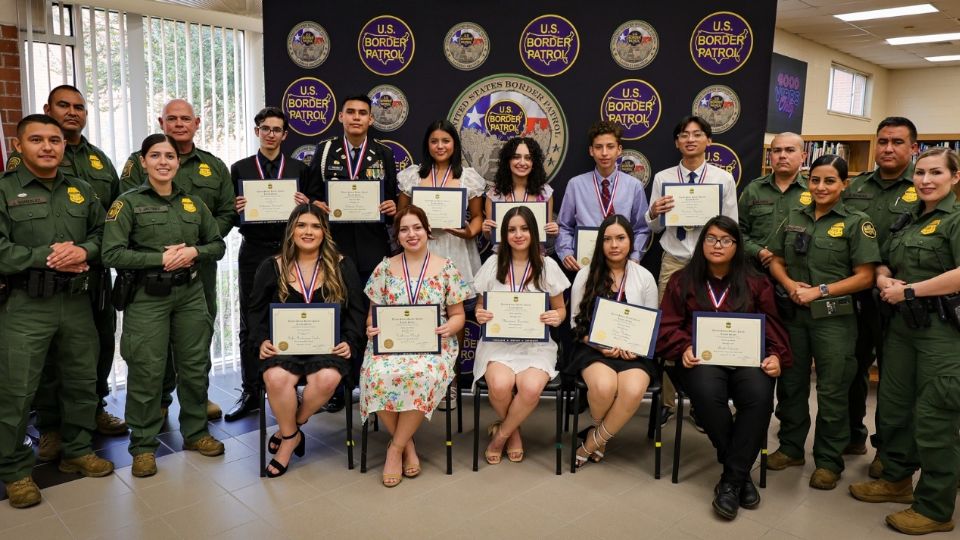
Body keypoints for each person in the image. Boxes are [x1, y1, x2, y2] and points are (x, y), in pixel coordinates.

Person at [5, 85, 126, 463]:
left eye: (54, 141)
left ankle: (79, 445)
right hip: (28, 298)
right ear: (20, 144)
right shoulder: (7, 187)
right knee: (21, 384)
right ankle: (24, 457)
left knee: (83, 372)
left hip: (82, 290)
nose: (47, 147)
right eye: (37, 139)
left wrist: (85, 251)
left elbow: (108, 226)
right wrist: (49, 257)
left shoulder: (91, 176)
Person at [849, 147, 960, 536]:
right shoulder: (908, 218)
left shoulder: (955, 220)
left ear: (954, 177)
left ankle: (934, 507)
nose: (926, 180)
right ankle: (896, 480)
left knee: (935, 418)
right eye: (921, 173)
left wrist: (911, 290)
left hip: (942, 335)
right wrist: (882, 278)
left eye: (936, 173)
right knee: (894, 408)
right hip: (901, 329)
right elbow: (884, 258)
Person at [103, 134, 227, 478]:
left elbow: (216, 244)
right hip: (147, 297)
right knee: (147, 369)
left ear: (177, 162)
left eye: (169, 156)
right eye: (155, 155)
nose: (163, 161)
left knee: (194, 364)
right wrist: (158, 258)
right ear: (143, 162)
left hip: (189, 294)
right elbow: (110, 253)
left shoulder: (192, 204)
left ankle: (196, 433)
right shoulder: (126, 205)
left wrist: (194, 253)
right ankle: (143, 446)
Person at [657, 216, 791, 520]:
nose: (718, 245)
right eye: (711, 239)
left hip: (748, 359)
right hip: (701, 359)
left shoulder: (756, 281)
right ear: (702, 242)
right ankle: (739, 477)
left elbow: (773, 324)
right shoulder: (683, 280)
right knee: (705, 393)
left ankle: (731, 478)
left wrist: (775, 356)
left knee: (759, 396)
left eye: (726, 240)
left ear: (737, 245)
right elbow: (668, 324)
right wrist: (683, 348)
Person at [766, 155, 880, 490]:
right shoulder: (793, 217)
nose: (821, 187)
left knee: (832, 390)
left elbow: (865, 277)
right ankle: (790, 448)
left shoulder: (857, 223)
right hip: (794, 317)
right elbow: (776, 259)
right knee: (791, 384)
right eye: (815, 180)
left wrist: (821, 291)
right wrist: (789, 285)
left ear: (845, 184)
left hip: (834, 320)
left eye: (830, 181)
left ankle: (829, 460)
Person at [121, 98, 236, 421]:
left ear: (197, 123)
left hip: (200, 267)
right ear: (161, 123)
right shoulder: (139, 162)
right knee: (152, 343)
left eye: (186, 119)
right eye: (172, 119)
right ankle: (158, 399)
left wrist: (199, 246)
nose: (179, 124)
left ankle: (196, 400)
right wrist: (162, 256)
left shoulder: (213, 166)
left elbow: (227, 212)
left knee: (197, 333)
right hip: (151, 272)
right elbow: (126, 210)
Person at [248, 205, 366, 477]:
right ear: (291, 231)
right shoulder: (272, 266)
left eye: (315, 226)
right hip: (284, 346)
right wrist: (262, 340)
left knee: (326, 379)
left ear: (325, 232)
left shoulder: (341, 265)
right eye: (301, 225)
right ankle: (291, 440)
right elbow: (254, 311)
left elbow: (357, 310)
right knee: (276, 379)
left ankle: (290, 430)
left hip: (328, 346)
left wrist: (349, 340)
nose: (308, 232)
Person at [361, 205, 472, 486]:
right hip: (390, 344)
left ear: (427, 230)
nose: (412, 234)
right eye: (404, 229)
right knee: (375, 375)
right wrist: (370, 326)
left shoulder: (446, 268)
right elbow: (373, 312)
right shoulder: (385, 268)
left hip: (434, 345)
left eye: (417, 227)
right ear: (397, 236)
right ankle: (407, 444)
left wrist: (451, 326)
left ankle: (394, 449)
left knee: (422, 375)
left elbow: (459, 315)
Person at [307, 94, 398, 412]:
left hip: (373, 246)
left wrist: (392, 207)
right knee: (337, 314)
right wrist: (317, 205)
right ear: (341, 118)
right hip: (335, 247)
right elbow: (312, 196)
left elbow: (393, 199)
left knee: (370, 316)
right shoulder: (326, 151)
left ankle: (371, 379)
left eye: (363, 113)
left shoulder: (383, 154)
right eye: (351, 112)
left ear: (371, 119)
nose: (357, 117)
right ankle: (338, 384)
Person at [647, 115, 739, 421]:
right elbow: (654, 227)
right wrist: (654, 213)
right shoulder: (662, 177)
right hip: (673, 259)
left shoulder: (722, 179)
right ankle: (668, 401)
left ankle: (704, 402)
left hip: (710, 263)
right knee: (669, 329)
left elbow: (731, 227)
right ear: (676, 142)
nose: (690, 139)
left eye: (697, 134)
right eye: (684, 135)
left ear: (708, 141)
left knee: (708, 328)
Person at [842, 117, 920, 473]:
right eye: (883, 141)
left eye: (898, 142)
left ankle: (887, 451)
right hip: (857, 294)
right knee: (851, 368)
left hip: (900, 298)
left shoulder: (923, 187)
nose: (888, 148)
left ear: (913, 148)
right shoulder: (855, 186)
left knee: (893, 379)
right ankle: (851, 434)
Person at [226, 107, 310, 422]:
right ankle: (250, 390)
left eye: (277, 129)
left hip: (291, 253)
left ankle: (292, 383)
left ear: (285, 135)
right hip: (254, 251)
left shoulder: (300, 169)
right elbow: (230, 216)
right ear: (257, 131)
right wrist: (236, 210)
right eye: (265, 128)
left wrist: (307, 205)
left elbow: (313, 216)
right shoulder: (240, 169)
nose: (271, 134)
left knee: (293, 315)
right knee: (251, 320)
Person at [397, 120, 485, 410]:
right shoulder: (412, 176)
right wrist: (413, 228)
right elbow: (401, 214)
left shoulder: (468, 178)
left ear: (454, 145)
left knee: (454, 313)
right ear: (427, 145)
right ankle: (420, 379)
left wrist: (468, 232)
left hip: (455, 249)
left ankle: (451, 381)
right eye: (434, 141)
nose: (440, 146)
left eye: (445, 141)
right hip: (420, 249)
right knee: (420, 309)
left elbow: (477, 219)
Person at [473, 206, 569, 463]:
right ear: (504, 234)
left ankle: (501, 435)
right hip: (497, 344)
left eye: (524, 229)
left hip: (535, 346)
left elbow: (561, 310)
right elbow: (481, 306)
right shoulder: (493, 264)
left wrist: (556, 317)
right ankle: (513, 433)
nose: (518, 235)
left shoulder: (547, 266)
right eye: (512, 229)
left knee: (529, 388)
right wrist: (480, 314)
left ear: (533, 232)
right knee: (500, 385)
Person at [567, 214, 658, 467]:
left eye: (620, 238)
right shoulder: (586, 275)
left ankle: (591, 443)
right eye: (607, 239)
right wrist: (596, 344)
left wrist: (637, 349)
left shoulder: (644, 277)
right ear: (600, 243)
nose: (614, 245)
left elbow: (651, 326)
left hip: (634, 354)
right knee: (604, 387)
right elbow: (574, 322)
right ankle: (601, 439)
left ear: (630, 241)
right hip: (593, 349)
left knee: (632, 389)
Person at [556, 121, 650, 271]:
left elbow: (642, 228)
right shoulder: (575, 185)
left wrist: (634, 257)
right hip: (586, 265)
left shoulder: (634, 186)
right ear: (591, 151)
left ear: (619, 150)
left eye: (610, 146)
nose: (604, 153)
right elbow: (564, 226)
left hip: (622, 266)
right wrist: (566, 252)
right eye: (598, 147)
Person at [738, 132, 809, 271]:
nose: (782, 155)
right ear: (770, 156)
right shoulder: (753, 189)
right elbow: (738, 230)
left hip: (798, 272)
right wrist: (758, 251)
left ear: (803, 157)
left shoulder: (814, 191)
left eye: (790, 150)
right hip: (756, 270)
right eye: (776, 150)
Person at [481, 137, 559, 244]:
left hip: (535, 256)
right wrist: (486, 231)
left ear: (534, 163)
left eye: (528, 158)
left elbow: (547, 234)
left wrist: (553, 231)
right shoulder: (494, 194)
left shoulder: (545, 192)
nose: (522, 162)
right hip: (503, 256)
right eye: (516, 157)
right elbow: (491, 237)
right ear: (508, 161)